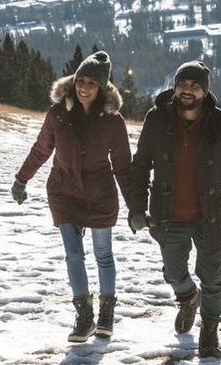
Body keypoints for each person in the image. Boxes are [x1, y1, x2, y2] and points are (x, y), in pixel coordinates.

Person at [121, 60, 221, 360]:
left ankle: (209, 332)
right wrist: (136, 208)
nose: (187, 89)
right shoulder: (157, 119)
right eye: (183, 83)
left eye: (195, 85)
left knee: (212, 277)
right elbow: (140, 167)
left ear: (204, 91)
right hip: (168, 216)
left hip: (211, 218)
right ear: (174, 85)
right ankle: (188, 297)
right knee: (173, 274)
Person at [13, 50, 132, 342]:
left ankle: (106, 314)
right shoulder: (58, 113)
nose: (84, 87)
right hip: (64, 192)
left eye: (92, 82)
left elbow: (123, 167)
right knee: (74, 255)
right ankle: (85, 315)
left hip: (100, 194)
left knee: (103, 255)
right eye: (81, 79)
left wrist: (138, 207)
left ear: (102, 87)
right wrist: (21, 178)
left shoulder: (112, 121)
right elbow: (42, 149)